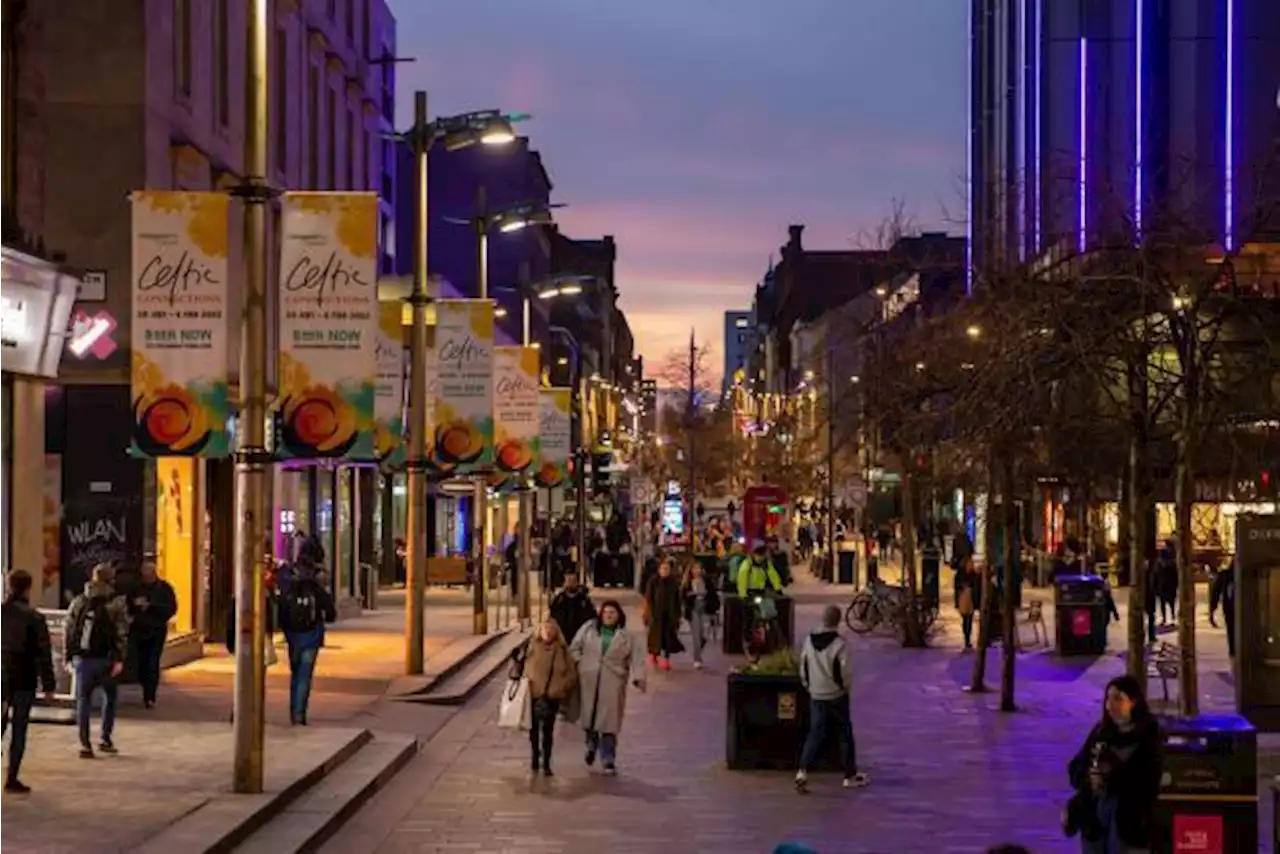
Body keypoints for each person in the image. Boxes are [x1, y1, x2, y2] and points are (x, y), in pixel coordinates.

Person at [1066, 675, 1162, 853]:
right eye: (1108, 699)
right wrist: (1089, 778)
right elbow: (1076, 767)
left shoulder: (1149, 737)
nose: (1110, 705)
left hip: (1129, 825)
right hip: (1095, 823)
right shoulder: (1101, 732)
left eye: (1118, 698)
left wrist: (1113, 776)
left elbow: (1149, 782)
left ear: (1133, 702)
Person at [567, 600, 646, 775]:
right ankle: (591, 745)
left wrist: (639, 677)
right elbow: (574, 648)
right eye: (605, 612)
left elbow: (637, 658)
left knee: (609, 721)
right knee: (590, 715)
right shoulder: (589, 629)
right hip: (589, 678)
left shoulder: (626, 636)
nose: (608, 615)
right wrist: (581, 663)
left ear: (618, 616)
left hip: (613, 679)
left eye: (612, 613)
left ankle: (608, 758)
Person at [795, 604, 868, 793]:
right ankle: (849, 775)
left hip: (816, 694)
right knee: (844, 732)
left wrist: (809, 686)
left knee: (815, 733)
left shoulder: (809, 641)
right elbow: (845, 672)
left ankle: (802, 771)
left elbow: (803, 666)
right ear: (838, 621)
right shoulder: (839, 644)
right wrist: (844, 689)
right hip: (836, 695)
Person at [66, 562, 130, 758]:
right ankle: (105, 738)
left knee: (83, 700)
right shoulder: (116, 603)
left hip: (83, 659)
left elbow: (69, 630)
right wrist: (120, 658)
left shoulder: (79, 601)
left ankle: (84, 744)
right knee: (109, 698)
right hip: (106, 658)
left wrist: (68, 655)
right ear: (111, 579)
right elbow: (122, 632)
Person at [0, 570, 56, 792]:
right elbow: (44, 653)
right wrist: (49, 684)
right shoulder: (34, 617)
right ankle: (11, 778)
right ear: (28, 588)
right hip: (24, 677)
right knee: (19, 728)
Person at [278, 565, 336, 725]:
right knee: (304, 676)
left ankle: (293, 709)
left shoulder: (289, 590)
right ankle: (299, 713)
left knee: (295, 674)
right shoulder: (317, 590)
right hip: (311, 637)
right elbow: (331, 614)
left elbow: (281, 615)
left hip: (293, 637)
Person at [523, 617, 577, 776]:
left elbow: (571, 673)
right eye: (545, 628)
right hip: (533, 694)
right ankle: (534, 756)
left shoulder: (562, 650)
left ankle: (546, 762)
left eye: (551, 629)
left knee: (548, 730)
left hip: (552, 696)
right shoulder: (532, 646)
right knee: (533, 729)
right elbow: (524, 667)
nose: (548, 632)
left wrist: (561, 687)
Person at [126, 558, 177, 709]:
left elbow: (171, 608)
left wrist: (151, 606)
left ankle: (150, 696)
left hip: (156, 630)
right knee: (140, 662)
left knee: (152, 662)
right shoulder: (136, 588)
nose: (146, 578)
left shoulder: (164, 588)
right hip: (138, 630)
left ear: (154, 574)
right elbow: (128, 605)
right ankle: (144, 684)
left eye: (149, 575)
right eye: (144, 575)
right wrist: (134, 608)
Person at [643, 558, 684, 671]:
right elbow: (648, 597)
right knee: (655, 637)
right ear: (659, 569)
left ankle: (666, 658)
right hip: (655, 615)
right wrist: (648, 612)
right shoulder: (653, 581)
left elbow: (677, 600)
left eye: (667, 569)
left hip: (669, 615)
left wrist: (678, 615)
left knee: (668, 638)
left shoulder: (673, 583)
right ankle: (654, 655)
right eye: (663, 568)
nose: (665, 571)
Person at [681, 558, 719, 670]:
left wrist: (712, 604)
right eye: (695, 568)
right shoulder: (687, 582)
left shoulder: (706, 581)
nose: (697, 570)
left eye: (699, 568)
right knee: (696, 635)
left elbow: (713, 595)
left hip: (705, 608)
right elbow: (683, 597)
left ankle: (699, 649)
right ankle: (697, 658)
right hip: (694, 609)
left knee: (705, 635)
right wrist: (690, 596)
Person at [549, 571, 594, 649]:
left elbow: (591, 617)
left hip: (580, 637)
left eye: (573, 580)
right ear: (564, 582)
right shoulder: (559, 599)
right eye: (568, 580)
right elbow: (552, 616)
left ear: (577, 582)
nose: (570, 583)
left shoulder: (584, 599)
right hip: (561, 637)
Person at [954, 555, 980, 650]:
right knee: (966, 619)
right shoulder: (961, 575)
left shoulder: (973, 575)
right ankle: (966, 638)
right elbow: (957, 588)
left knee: (969, 619)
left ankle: (968, 638)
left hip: (971, 600)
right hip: (964, 599)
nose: (971, 565)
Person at [1209, 565, 1236, 657]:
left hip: (1230, 609)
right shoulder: (1226, 575)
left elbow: (1215, 593)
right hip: (1231, 610)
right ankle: (1233, 654)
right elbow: (1215, 593)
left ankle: (1233, 654)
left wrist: (1212, 611)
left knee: (1232, 632)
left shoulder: (1225, 575)